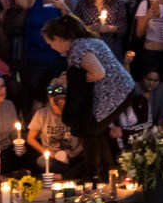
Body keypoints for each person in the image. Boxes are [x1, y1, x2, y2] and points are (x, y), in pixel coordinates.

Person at [41, 15, 131, 181]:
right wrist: (71, 78)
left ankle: (94, 175)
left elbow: (98, 73)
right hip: (116, 91)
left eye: (50, 43)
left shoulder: (79, 49)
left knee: (89, 130)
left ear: (58, 39)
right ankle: (105, 172)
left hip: (115, 93)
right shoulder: (83, 42)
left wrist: (71, 78)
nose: (51, 48)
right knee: (96, 130)